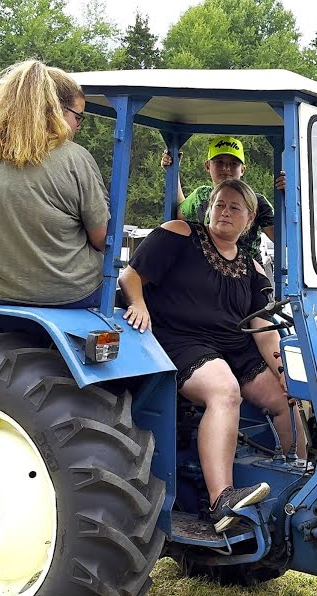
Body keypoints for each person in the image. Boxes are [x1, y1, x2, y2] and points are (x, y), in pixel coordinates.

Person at [118, 178, 306, 532]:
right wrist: (139, 305)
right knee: (225, 390)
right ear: (209, 208)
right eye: (220, 204)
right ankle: (222, 500)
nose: (225, 212)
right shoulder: (179, 234)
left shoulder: (252, 266)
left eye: (235, 207)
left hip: (232, 346)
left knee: (287, 397)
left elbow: (263, 326)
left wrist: (284, 372)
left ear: (249, 219)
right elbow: (131, 276)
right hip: (179, 339)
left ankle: (299, 484)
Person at [0, 59, 109, 308]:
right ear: (56, 110)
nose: (78, 127)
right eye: (78, 117)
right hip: (66, 293)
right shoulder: (76, 158)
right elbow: (102, 238)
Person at [160, 136, 284, 265]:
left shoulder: (256, 202)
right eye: (219, 162)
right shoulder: (200, 197)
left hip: (249, 272)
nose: (226, 168)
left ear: (242, 169)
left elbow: (281, 239)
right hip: (209, 270)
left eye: (233, 164)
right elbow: (179, 214)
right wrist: (173, 172)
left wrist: (289, 193)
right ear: (208, 166)